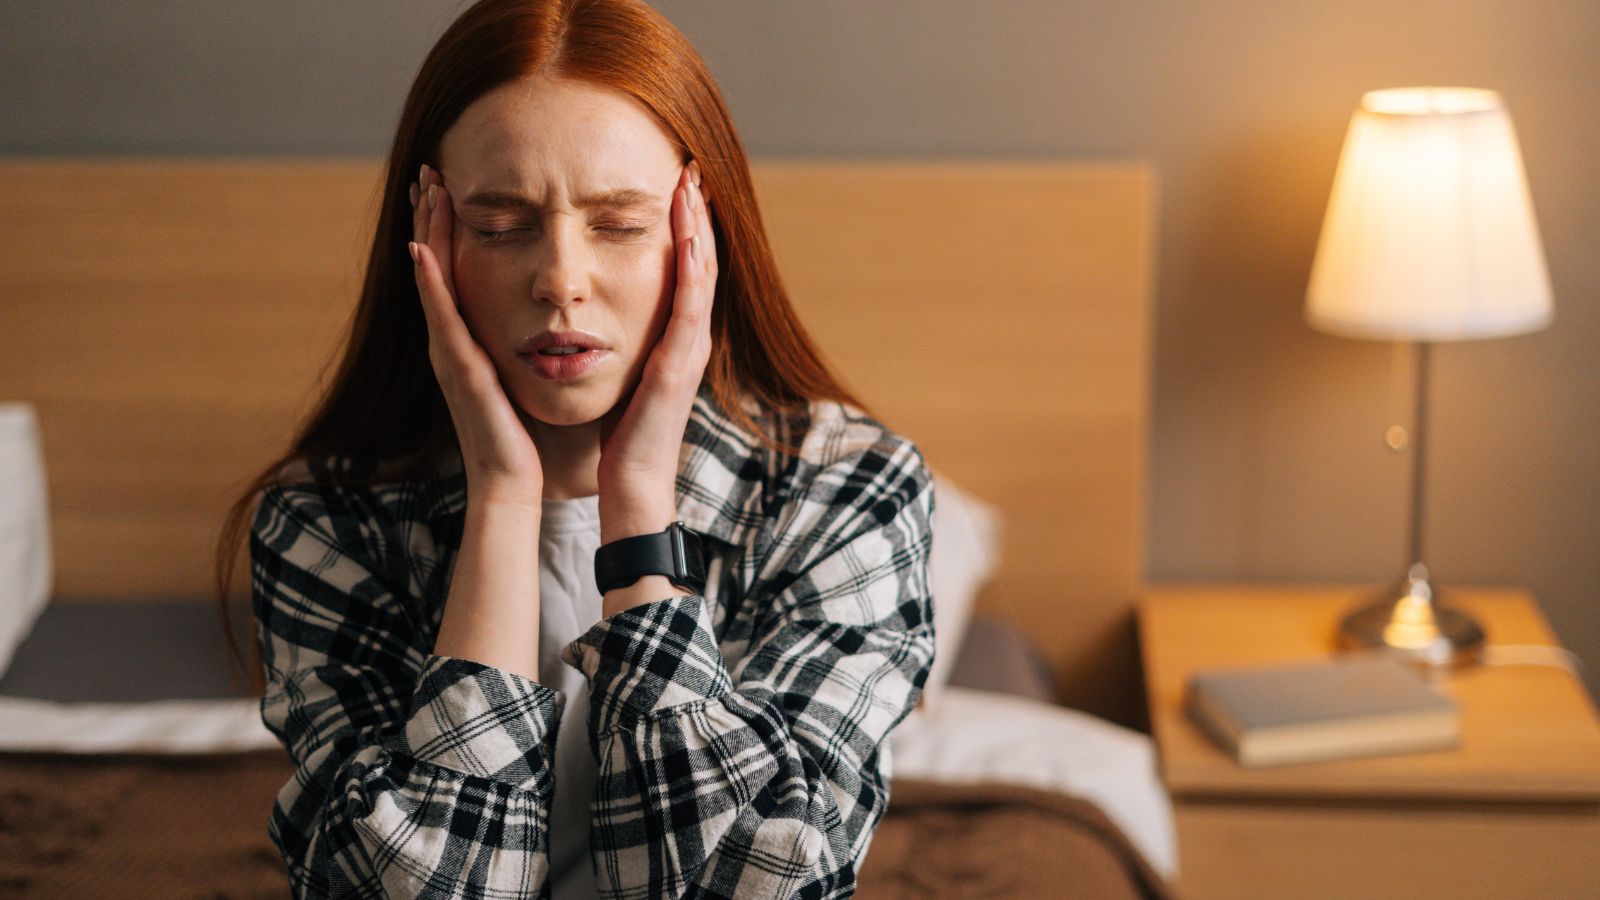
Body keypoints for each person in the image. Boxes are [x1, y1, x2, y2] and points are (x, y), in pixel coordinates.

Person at [214, 0, 935, 897]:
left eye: (620, 224)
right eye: (499, 224)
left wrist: (636, 506)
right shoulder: (326, 522)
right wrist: (505, 499)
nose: (560, 280)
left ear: (698, 234)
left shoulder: (844, 491)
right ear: (429, 239)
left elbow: (756, 886)